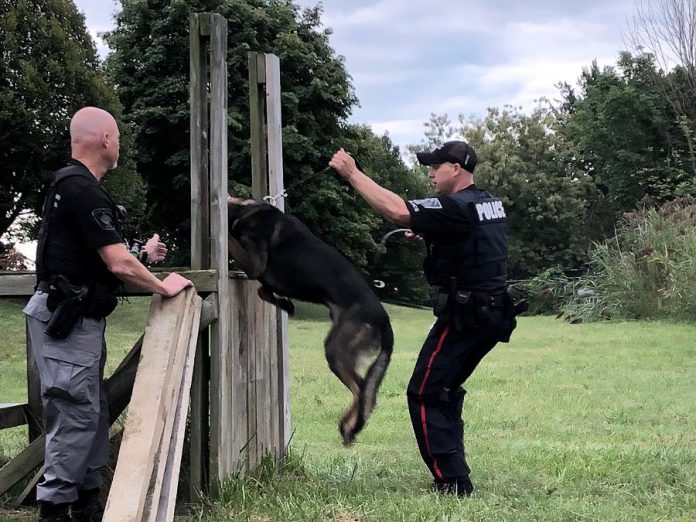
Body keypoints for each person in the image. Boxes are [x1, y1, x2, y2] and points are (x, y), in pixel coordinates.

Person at [23, 106, 192, 522]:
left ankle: (86, 501)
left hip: (75, 317)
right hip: (68, 319)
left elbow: (98, 258)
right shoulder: (82, 187)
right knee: (75, 412)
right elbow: (116, 265)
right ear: (105, 140)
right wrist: (159, 283)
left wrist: (141, 255)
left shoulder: (77, 188)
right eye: (117, 136)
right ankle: (55, 509)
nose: (118, 144)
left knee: (88, 409)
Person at [329, 141, 517, 497]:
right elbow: (471, 239)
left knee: (425, 392)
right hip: (493, 312)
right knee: (444, 389)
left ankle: (452, 482)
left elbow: (398, 212)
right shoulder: (486, 202)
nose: (430, 172)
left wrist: (352, 173)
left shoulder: (455, 207)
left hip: (466, 315)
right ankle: (454, 472)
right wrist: (432, 231)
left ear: (456, 169)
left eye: (436, 166)